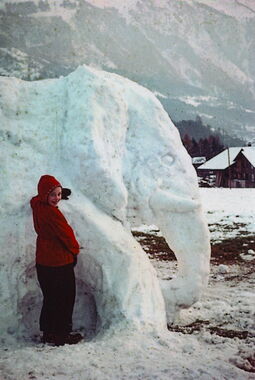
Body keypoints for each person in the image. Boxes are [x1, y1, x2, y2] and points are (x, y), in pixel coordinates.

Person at [30, 174, 83, 346]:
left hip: (43, 263)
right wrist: (75, 251)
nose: (57, 198)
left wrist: (51, 193)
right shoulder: (53, 214)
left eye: (59, 194)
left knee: (50, 298)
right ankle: (62, 335)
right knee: (65, 299)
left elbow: (34, 199)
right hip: (59, 263)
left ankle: (48, 333)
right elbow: (66, 235)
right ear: (45, 195)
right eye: (53, 195)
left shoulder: (37, 205)